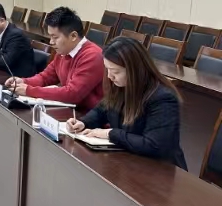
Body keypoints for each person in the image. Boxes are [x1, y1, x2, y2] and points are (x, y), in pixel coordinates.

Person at [66, 37, 187, 170]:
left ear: (134, 70)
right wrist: (83, 122)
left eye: (115, 71)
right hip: (130, 161)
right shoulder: (121, 86)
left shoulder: (162, 98)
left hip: (160, 169)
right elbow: (102, 110)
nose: (110, 76)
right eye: (108, 69)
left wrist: (110, 134)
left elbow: (154, 145)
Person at [6, 7, 105, 110]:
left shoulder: (92, 55)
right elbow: (45, 77)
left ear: (73, 36)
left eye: (55, 37)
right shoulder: (63, 51)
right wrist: (23, 82)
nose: (51, 42)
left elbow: (73, 94)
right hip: (72, 110)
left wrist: (29, 90)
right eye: (50, 37)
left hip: (89, 115)